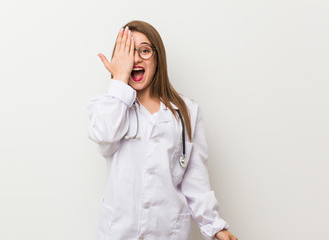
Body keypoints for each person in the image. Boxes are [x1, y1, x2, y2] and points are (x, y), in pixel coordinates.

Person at [87, 20, 237, 240]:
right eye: (129, 52)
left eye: (144, 50)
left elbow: (196, 182)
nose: (136, 58)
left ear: (158, 58)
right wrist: (119, 79)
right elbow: (105, 137)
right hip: (119, 232)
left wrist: (216, 227)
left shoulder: (187, 112)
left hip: (168, 231)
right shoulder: (108, 105)